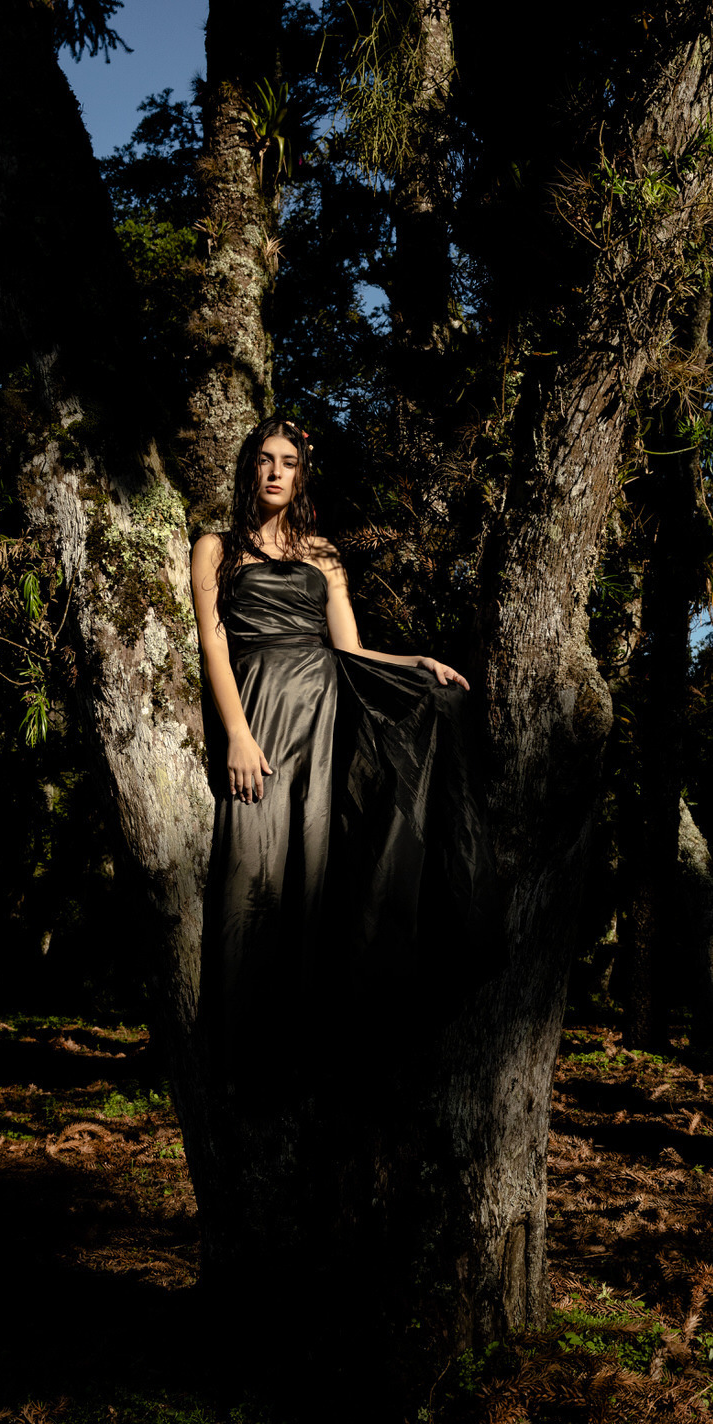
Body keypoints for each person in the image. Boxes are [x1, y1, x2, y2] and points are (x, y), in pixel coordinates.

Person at [191, 415, 492, 1085]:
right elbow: (213, 644)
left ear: (300, 475)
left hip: (322, 713)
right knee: (251, 872)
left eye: (288, 462)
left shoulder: (324, 553)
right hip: (261, 707)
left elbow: (349, 650)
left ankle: (307, 1055)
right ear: (250, 468)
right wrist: (238, 733)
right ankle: (241, 1057)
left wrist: (415, 660)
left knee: (315, 874)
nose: (275, 471)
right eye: (265, 459)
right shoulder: (215, 547)